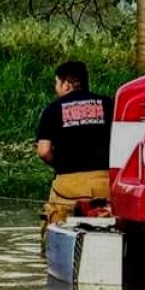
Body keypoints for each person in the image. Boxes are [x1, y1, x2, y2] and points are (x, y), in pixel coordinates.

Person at [36, 60, 114, 232]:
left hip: (68, 187)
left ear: (65, 84)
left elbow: (44, 151)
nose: (56, 87)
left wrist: (60, 165)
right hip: (105, 184)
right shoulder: (108, 104)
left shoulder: (52, 110)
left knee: (54, 226)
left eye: (57, 83)